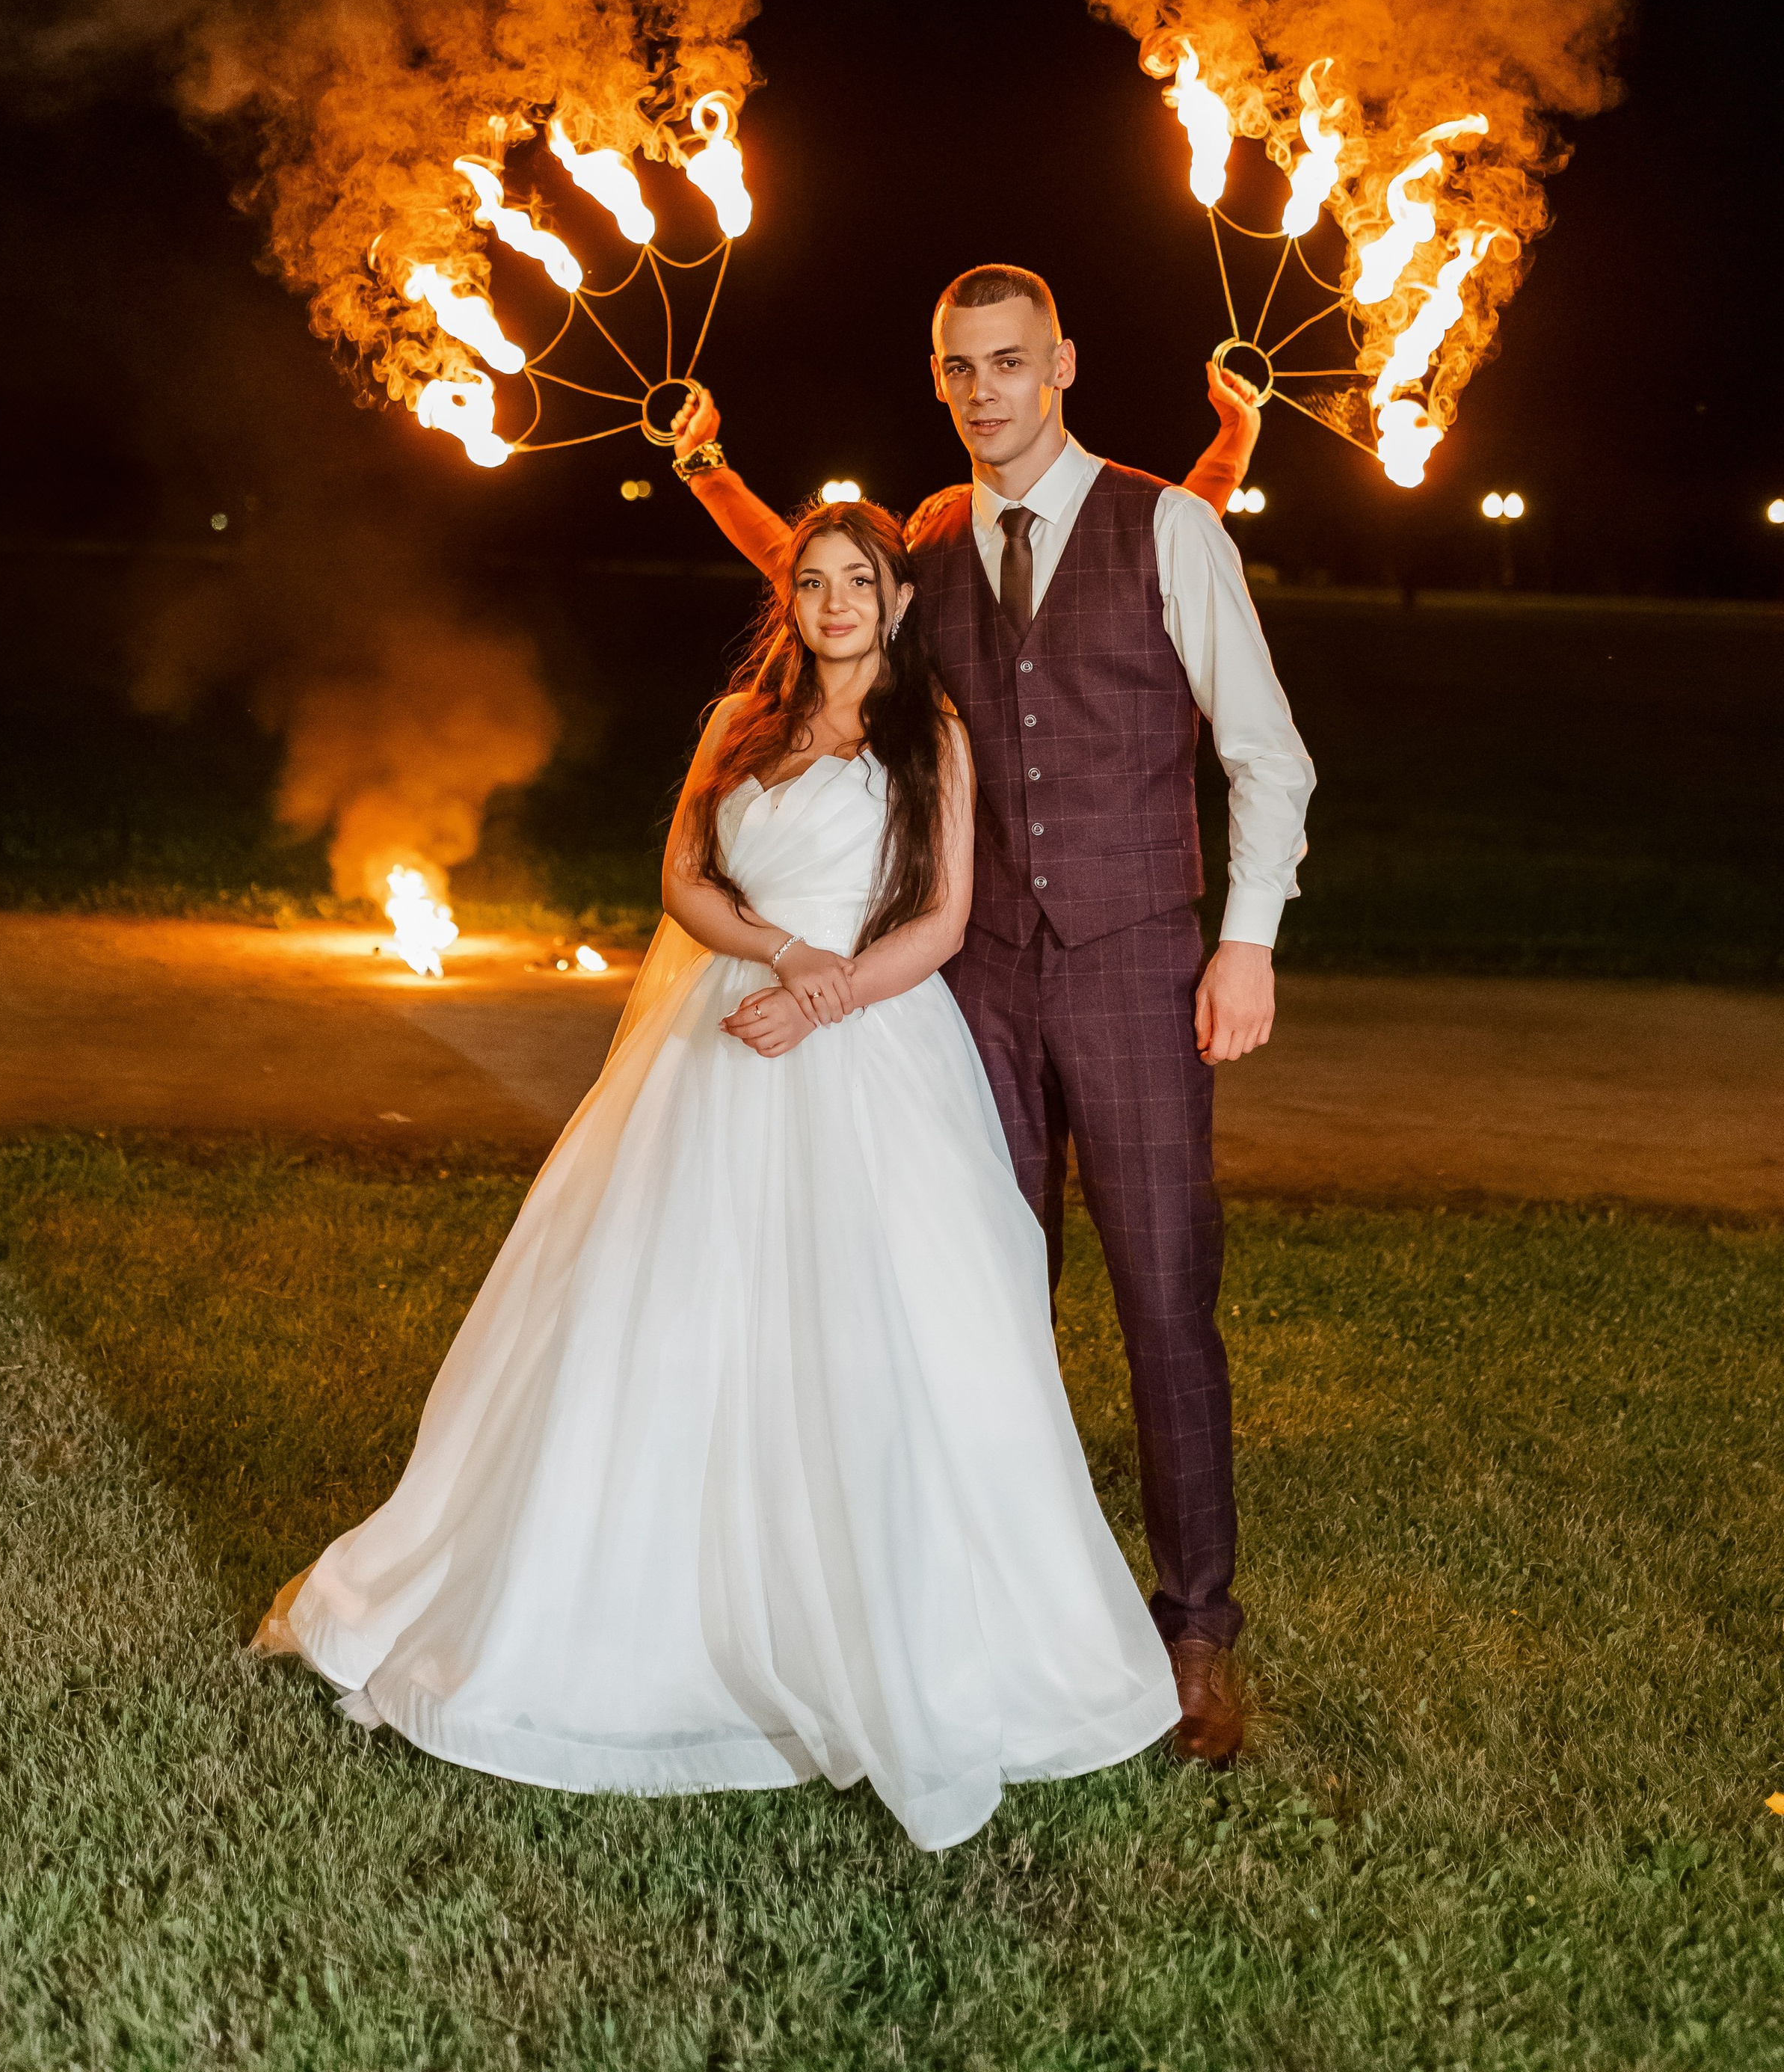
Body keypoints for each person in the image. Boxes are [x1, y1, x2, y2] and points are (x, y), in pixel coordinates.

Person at [255, 497, 1181, 1851]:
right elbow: (684, 880)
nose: (836, 603)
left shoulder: (934, 738)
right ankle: (624, 1615)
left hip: (874, 1050)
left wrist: (834, 992)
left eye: (861, 582)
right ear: (791, 601)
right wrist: (777, 958)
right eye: (814, 582)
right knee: (660, 1310)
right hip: (723, 1029)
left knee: (883, 1333)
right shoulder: (734, 725)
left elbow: (944, 918)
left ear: (899, 603)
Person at [670, 270, 1315, 1764]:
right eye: (959, 368)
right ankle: (994, 1605)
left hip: (1140, 965)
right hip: (972, 988)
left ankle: (1192, 1631)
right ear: (939, 378)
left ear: (1065, 365)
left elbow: (1265, 760)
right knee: (976, 1303)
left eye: (1010, 363)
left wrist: (1244, 945)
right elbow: (808, 586)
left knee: (1162, 1298)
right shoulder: (933, 542)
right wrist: (706, 464)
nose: (984, 391)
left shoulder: (1169, 527)